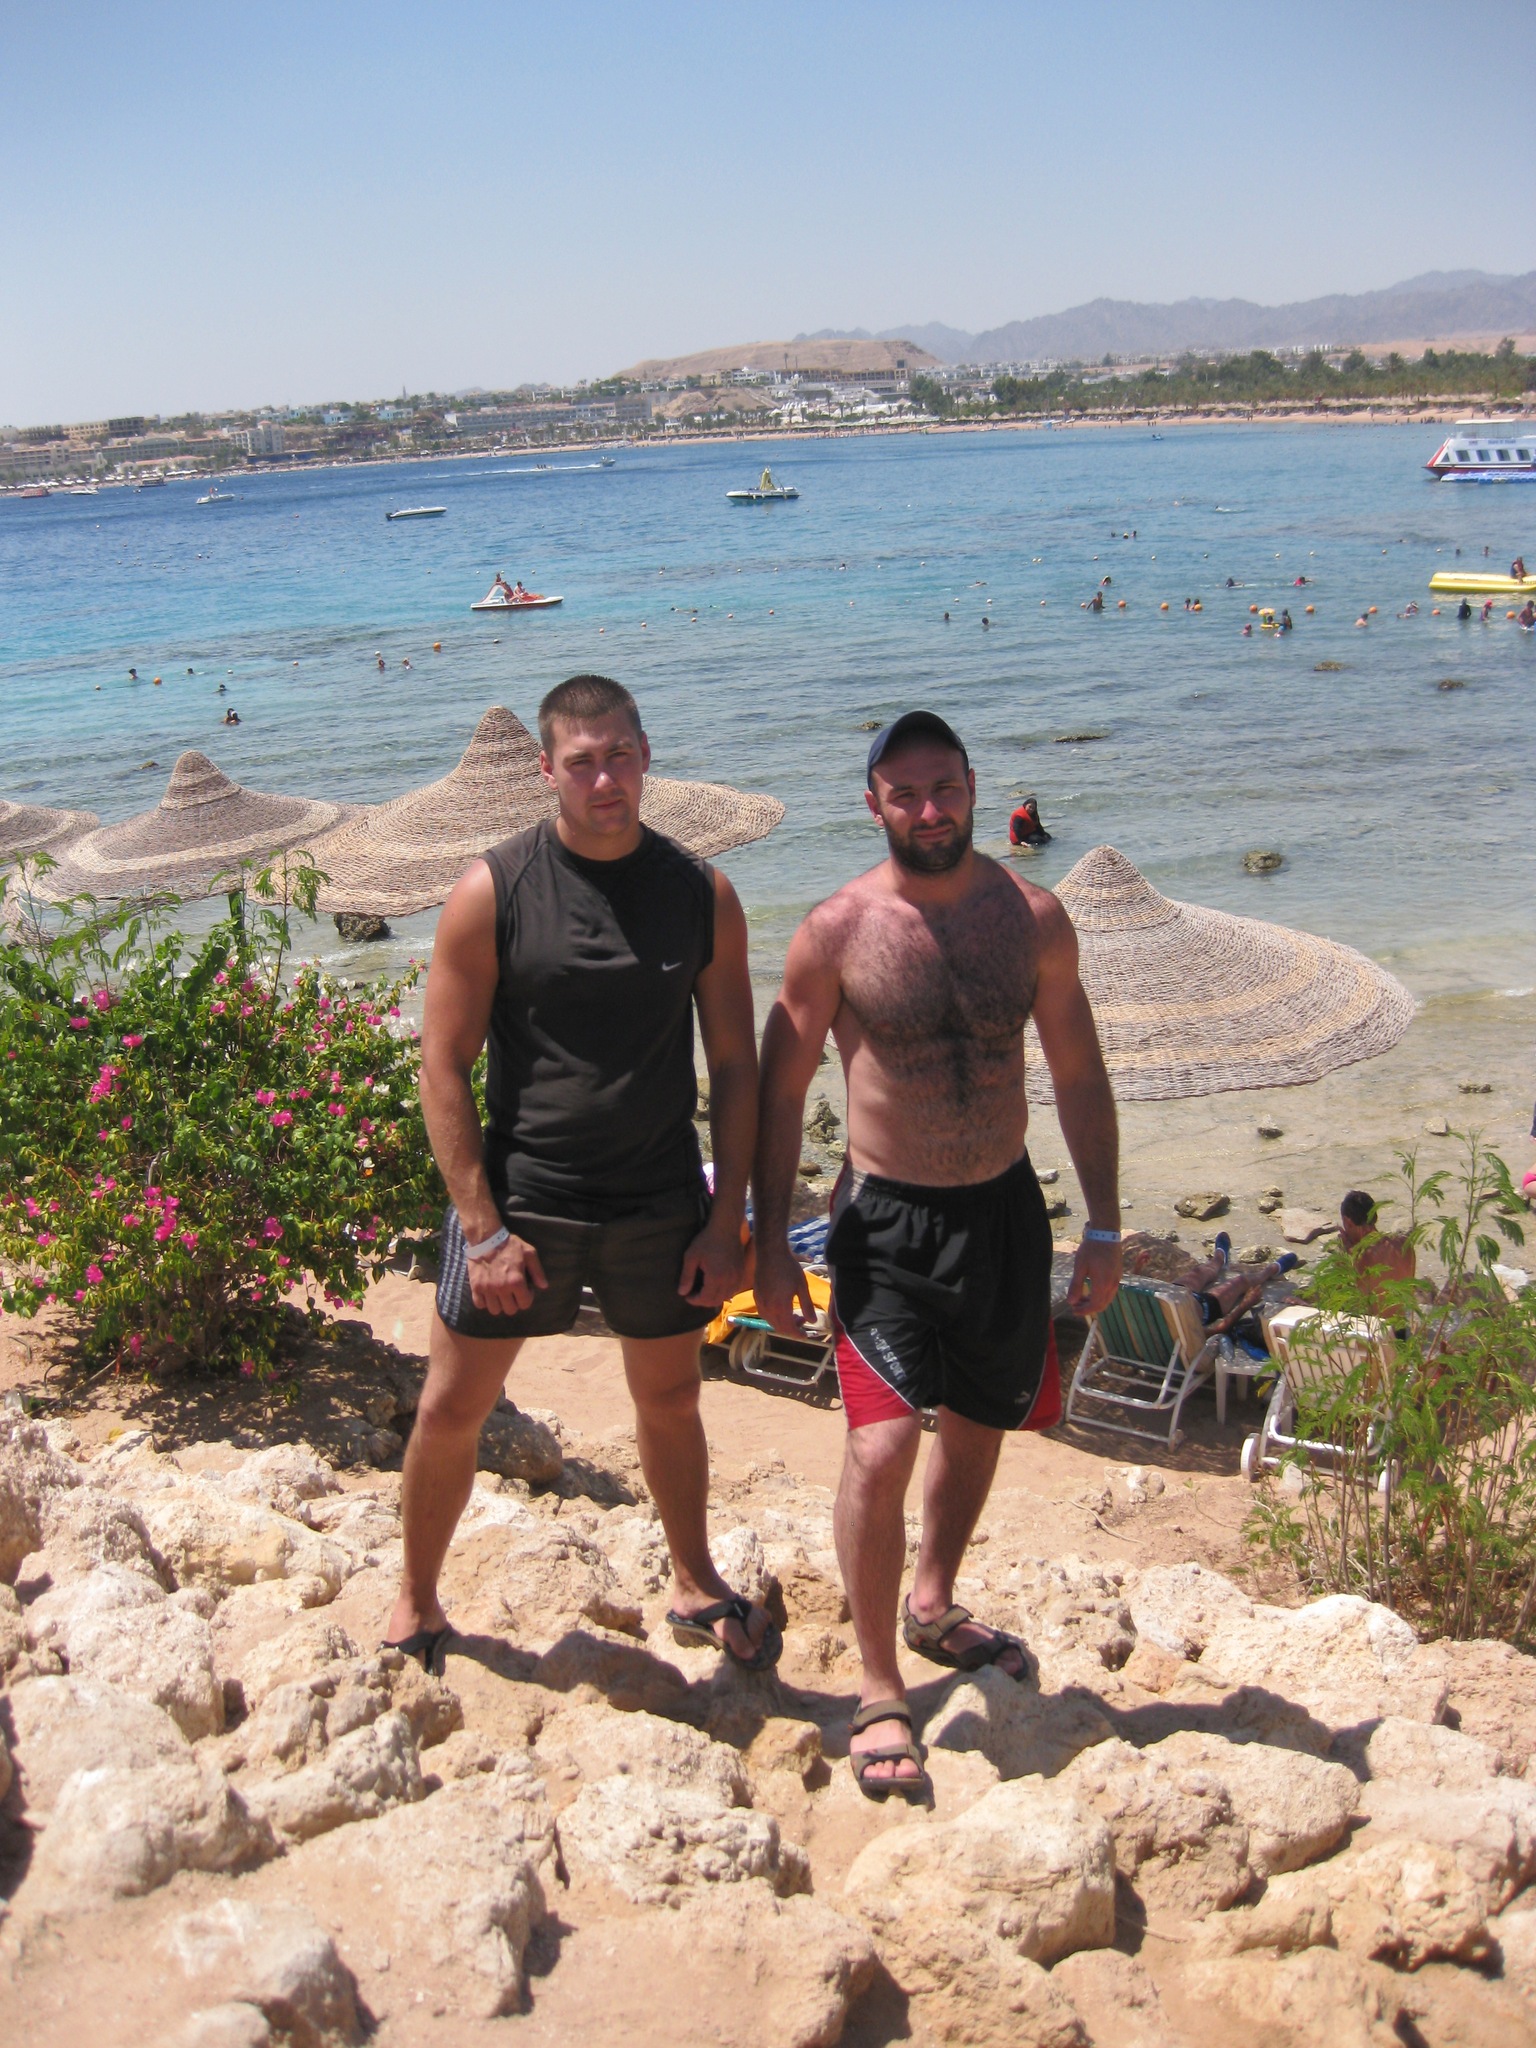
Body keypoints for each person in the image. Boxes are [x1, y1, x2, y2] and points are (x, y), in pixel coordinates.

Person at [753, 711, 1122, 1804]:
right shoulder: (836, 932)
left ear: (973, 786)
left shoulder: (1034, 918)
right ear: (872, 803)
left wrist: (1105, 1222)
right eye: (905, 793)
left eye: (945, 787)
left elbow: (1080, 1071)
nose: (929, 810)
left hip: (1004, 1212)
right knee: (878, 1448)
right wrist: (767, 1243)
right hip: (885, 1223)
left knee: (977, 1421)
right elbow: (779, 1093)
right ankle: (878, 1686)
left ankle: (931, 1599)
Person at [384, 672, 775, 1678]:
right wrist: (481, 1227)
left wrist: (724, 1217)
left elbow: (736, 1064)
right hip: (524, 1200)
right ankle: (416, 1599)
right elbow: (442, 1064)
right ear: (546, 769)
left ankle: (693, 1577)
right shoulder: (494, 890)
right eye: (583, 761)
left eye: (620, 756)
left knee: (672, 1398)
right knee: (451, 1408)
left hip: (658, 1199)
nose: (605, 779)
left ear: (647, 755)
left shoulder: (701, 894)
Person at [1338, 1190, 1415, 1311]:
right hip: (1402, 1319)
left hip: (1375, 1322)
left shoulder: (1359, 1258)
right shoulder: (1405, 1244)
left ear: (1348, 1222)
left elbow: (1338, 1291)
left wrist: (1343, 1256)